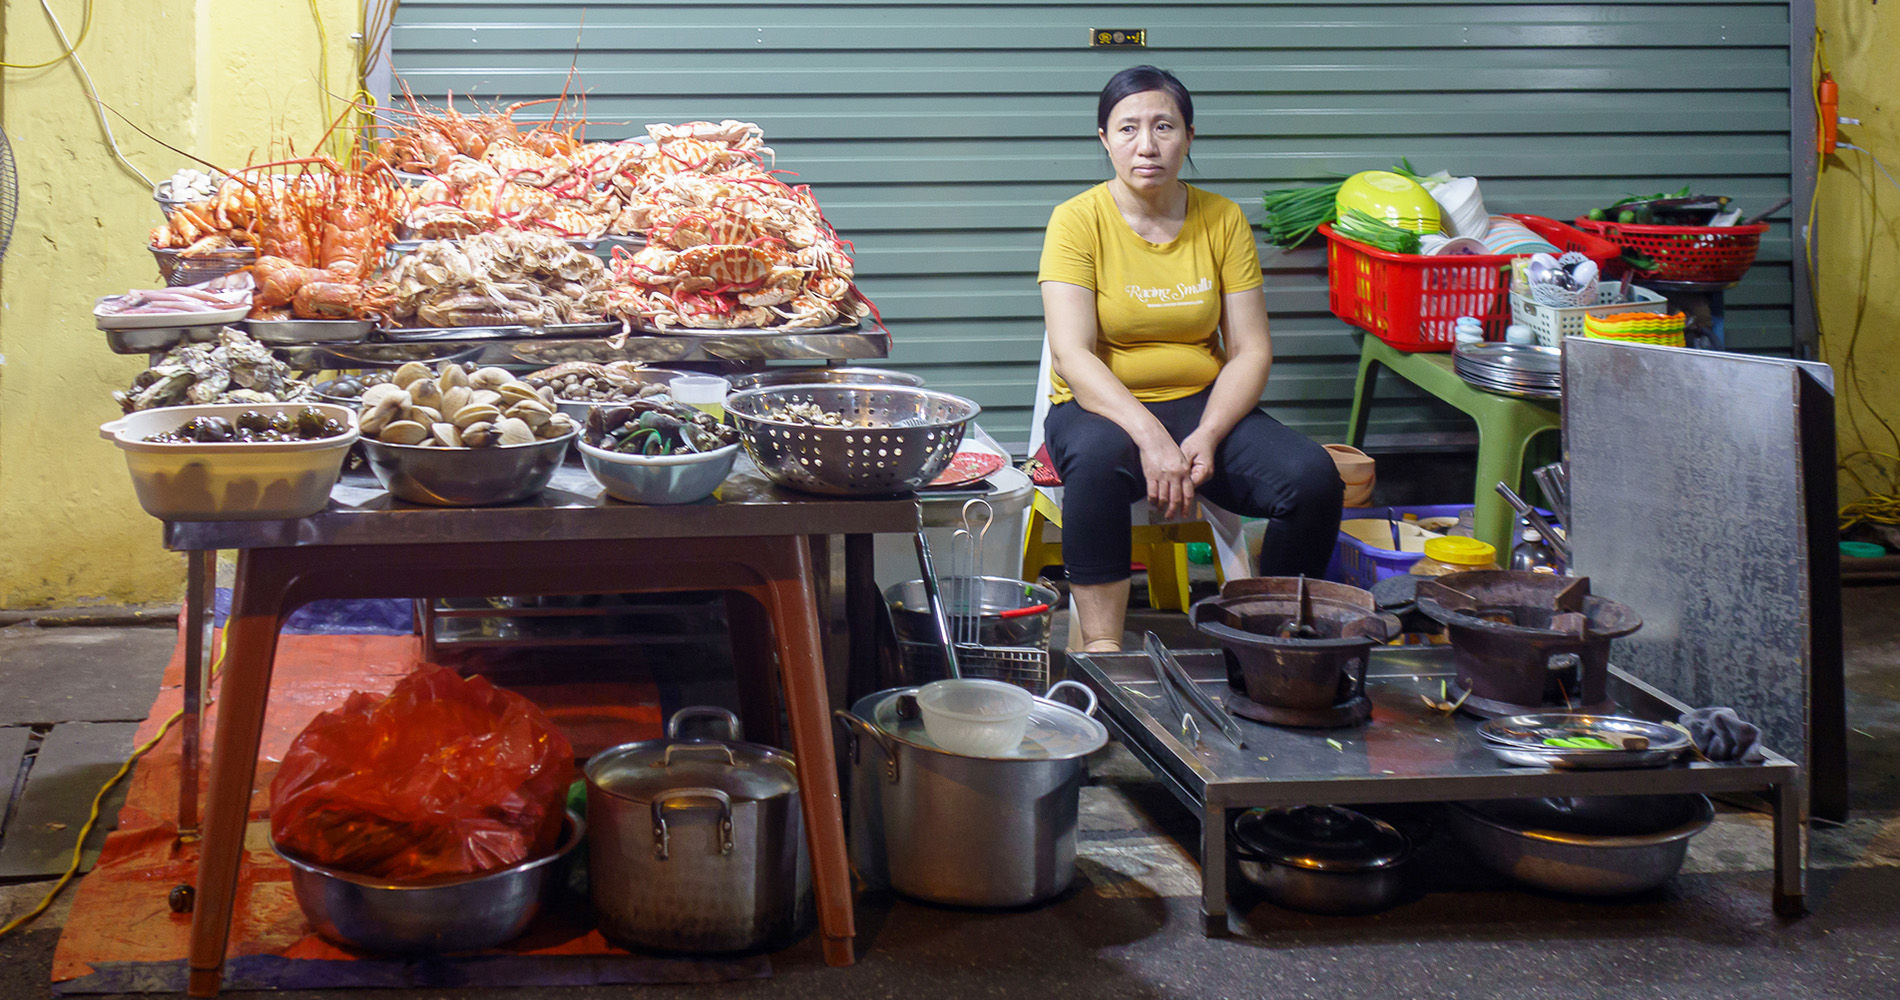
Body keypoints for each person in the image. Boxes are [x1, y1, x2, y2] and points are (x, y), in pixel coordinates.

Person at [1038, 65, 1344, 653]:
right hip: (1101, 407)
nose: (1146, 145)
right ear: (1104, 139)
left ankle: (1278, 639)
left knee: (1312, 479)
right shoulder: (1077, 220)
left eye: (1163, 127)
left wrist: (1207, 433)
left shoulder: (1221, 219)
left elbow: (1251, 349)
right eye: (1127, 129)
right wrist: (1151, 438)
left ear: (1189, 136)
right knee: (1099, 463)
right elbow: (1072, 354)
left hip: (1206, 407)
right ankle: (1103, 651)